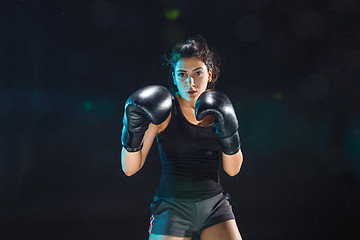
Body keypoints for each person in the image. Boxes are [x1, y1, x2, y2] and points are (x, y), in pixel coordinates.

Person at [121, 36, 243, 240]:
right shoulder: (163, 111)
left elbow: (233, 169)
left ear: (209, 74)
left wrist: (230, 131)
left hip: (214, 207)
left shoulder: (219, 109)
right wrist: (131, 130)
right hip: (172, 208)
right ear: (174, 77)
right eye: (182, 74)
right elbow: (130, 168)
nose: (190, 83)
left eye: (197, 73)